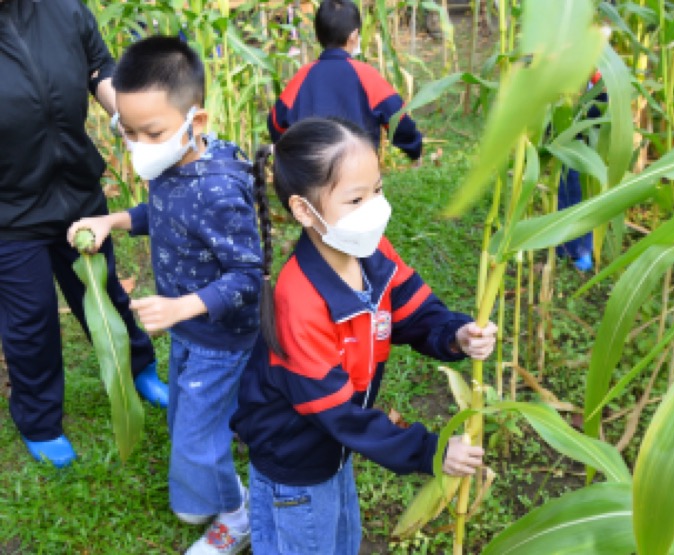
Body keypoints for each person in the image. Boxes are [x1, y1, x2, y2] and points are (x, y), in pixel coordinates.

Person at [231, 117, 497, 554]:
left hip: (334, 449)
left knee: (343, 542)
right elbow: (340, 415)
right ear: (304, 210)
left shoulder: (372, 254)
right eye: (355, 199)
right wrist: (430, 451)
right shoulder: (299, 302)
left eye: (377, 189)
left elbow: (415, 311)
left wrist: (456, 334)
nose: (374, 207)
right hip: (296, 462)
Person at [67, 36, 258, 555]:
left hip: (218, 332)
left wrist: (181, 306)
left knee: (196, 434)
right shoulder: (172, 166)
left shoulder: (219, 189)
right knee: (185, 418)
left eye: (149, 133)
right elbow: (163, 212)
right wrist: (113, 219)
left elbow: (247, 277)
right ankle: (207, 484)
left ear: (196, 123)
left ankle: (238, 516)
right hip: (189, 327)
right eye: (126, 132)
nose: (136, 146)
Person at [0, 0, 168, 469]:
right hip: (9, 208)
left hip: (76, 190)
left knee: (104, 291)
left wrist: (126, 116)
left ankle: (138, 369)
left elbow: (100, 66)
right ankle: (39, 420)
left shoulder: (64, 8)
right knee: (30, 320)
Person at [267, 0, 424, 162]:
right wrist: (414, 148)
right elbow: (397, 116)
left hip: (312, 171)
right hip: (358, 167)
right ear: (354, 36)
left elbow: (275, 123)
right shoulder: (366, 74)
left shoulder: (302, 75)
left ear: (317, 35)